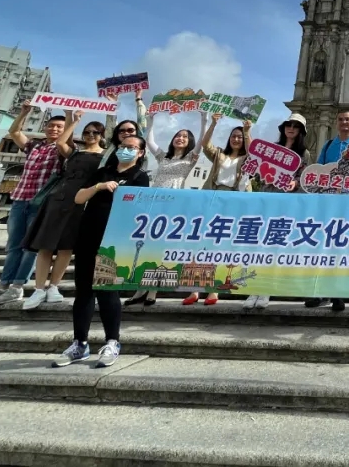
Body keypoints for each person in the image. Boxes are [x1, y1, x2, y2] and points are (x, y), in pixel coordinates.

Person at [55, 133, 150, 368]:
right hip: (88, 235)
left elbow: (139, 208)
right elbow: (79, 197)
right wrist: (99, 186)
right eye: (123, 146)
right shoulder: (102, 172)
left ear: (140, 153)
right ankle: (80, 343)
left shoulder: (140, 177)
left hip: (115, 240)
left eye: (132, 148)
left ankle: (112, 341)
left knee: (108, 292)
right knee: (84, 292)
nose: (126, 150)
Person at [0, 102, 66, 307]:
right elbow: (14, 131)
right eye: (52, 125)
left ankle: (17, 286)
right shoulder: (35, 145)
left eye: (60, 127)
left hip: (41, 204)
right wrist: (24, 113)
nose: (55, 129)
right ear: (45, 127)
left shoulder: (63, 149)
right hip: (20, 199)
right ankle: (3, 286)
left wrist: (72, 120)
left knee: (31, 247)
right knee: (14, 246)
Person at [21, 111, 105, 309]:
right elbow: (60, 143)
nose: (91, 135)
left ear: (102, 136)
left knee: (66, 247)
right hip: (59, 198)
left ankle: (54, 286)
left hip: (82, 201)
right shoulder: (75, 151)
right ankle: (39, 288)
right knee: (46, 245)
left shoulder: (105, 156)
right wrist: (73, 121)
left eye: (96, 132)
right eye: (88, 132)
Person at [124, 113, 207, 308]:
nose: (180, 138)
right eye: (178, 135)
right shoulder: (164, 157)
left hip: (174, 204)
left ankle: (153, 290)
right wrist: (151, 120)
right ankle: (140, 289)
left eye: (185, 136)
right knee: (145, 245)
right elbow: (149, 140)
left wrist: (203, 119)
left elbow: (202, 141)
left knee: (160, 247)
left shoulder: (190, 158)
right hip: (154, 202)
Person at [305, 109, 349, 313]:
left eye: (347, 119)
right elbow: (320, 173)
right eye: (341, 119)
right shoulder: (328, 145)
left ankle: (338, 294)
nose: (344, 122)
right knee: (323, 248)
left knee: (342, 249)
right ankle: (319, 292)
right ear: (336, 122)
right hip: (329, 204)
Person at [184, 115, 252, 306]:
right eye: (234, 136)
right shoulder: (219, 154)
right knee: (203, 243)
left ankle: (214, 290)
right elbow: (205, 144)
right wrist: (213, 124)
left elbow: (254, 153)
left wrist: (248, 132)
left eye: (239, 136)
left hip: (235, 201)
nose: (236, 139)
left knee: (222, 245)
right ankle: (195, 289)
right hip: (213, 198)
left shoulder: (246, 159)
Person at [249, 113, 313, 310]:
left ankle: (266, 289)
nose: (291, 128)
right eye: (288, 124)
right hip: (267, 197)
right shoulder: (272, 149)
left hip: (286, 202)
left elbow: (305, 178)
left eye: (295, 126)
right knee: (259, 244)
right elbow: (256, 164)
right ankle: (253, 289)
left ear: (301, 131)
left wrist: (295, 183)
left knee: (275, 245)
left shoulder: (305, 154)